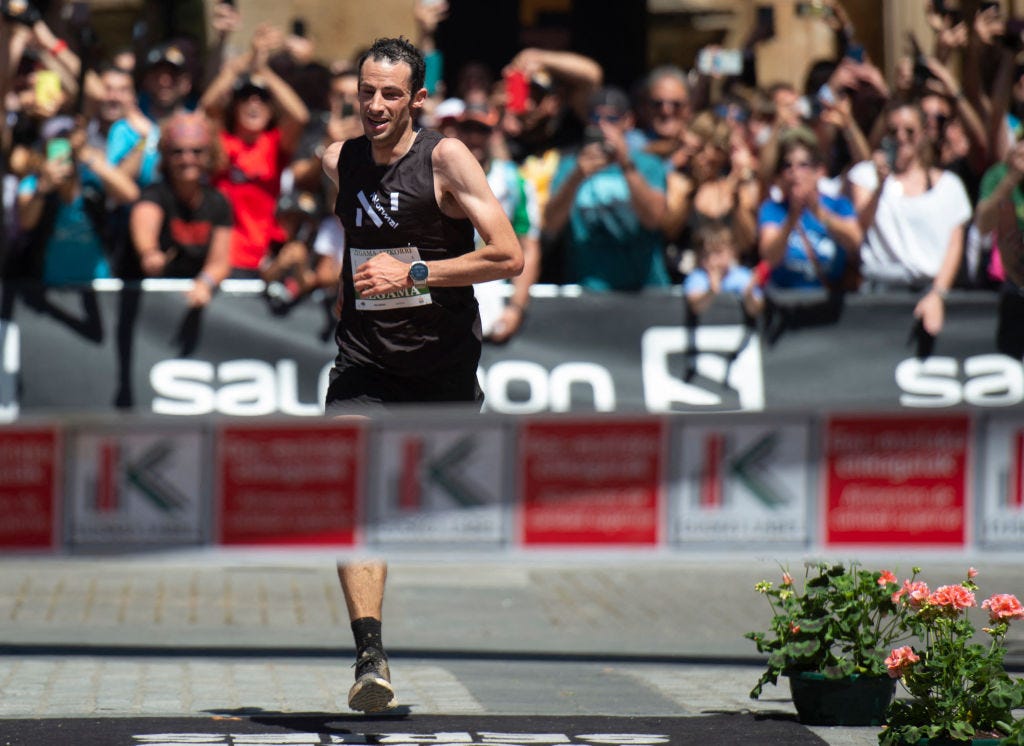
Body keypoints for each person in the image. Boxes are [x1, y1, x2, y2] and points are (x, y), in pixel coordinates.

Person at [319, 36, 522, 713]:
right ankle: (369, 652)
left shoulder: (446, 157)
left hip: (441, 367)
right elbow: (347, 242)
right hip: (365, 361)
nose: (375, 106)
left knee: (450, 508)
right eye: (366, 91)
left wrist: (415, 272)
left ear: (418, 99)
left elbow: (507, 255)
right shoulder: (338, 161)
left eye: (390, 94)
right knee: (350, 494)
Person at [848, 99, 972, 336]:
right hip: (880, 293)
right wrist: (881, 185)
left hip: (930, 292)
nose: (901, 137)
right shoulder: (865, 176)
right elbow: (859, 226)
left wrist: (938, 294)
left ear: (925, 133)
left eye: (909, 131)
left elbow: (954, 246)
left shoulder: (949, 185)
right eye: (893, 131)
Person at [201, 23, 310, 277]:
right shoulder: (223, 142)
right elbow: (208, 105)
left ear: (271, 109)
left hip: (264, 261)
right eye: (246, 97)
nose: (254, 103)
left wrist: (264, 71)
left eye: (262, 99)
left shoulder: (273, 144)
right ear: (234, 107)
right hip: (223, 260)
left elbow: (300, 116)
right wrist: (249, 58)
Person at [544, 86, 669, 291]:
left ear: (628, 121)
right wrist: (576, 177)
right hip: (587, 289)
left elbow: (654, 218)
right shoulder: (570, 166)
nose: (602, 126)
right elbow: (550, 225)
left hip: (644, 290)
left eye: (611, 119)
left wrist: (626, 164)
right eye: (595, 118)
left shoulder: (649, 165)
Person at [452, 101, 540, 343]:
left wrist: (516, 308)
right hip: (444, 295)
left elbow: (528, 247)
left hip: (493, 296)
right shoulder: (434, 174)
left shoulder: (514, 181)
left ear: (495, 134)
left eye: (482, 130)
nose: (473, 138)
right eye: (467, 129)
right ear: (456, 132)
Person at [129, 111, 231, 307]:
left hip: (191, 302)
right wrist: (150, 255)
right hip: (150, 304)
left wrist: (205, 283)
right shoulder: (155, 194)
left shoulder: (218, 202)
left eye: (197, 151)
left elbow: (220, 261)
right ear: (166, 155)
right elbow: (145, 226)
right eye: (177, 152)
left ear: (209, 154)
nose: (187, 159)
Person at [758, 132, 862, 292]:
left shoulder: (839, 205)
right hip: (786, 302)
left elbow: (855, 241)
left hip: (827, 305)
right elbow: (770, 257)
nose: (795, 172)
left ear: (819, 171)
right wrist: (792, 218)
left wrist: (819, 213)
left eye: (803, 165)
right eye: (787, 166)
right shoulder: (772, 209)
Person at [684, 220, 763, 318]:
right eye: (706, 255)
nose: (712, 261)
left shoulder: (742, 276)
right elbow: (696, 306)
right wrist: (711, 291)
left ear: (732, 251)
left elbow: (755, 309)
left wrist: (749, 293)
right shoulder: (697, 277)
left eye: (718, 253)